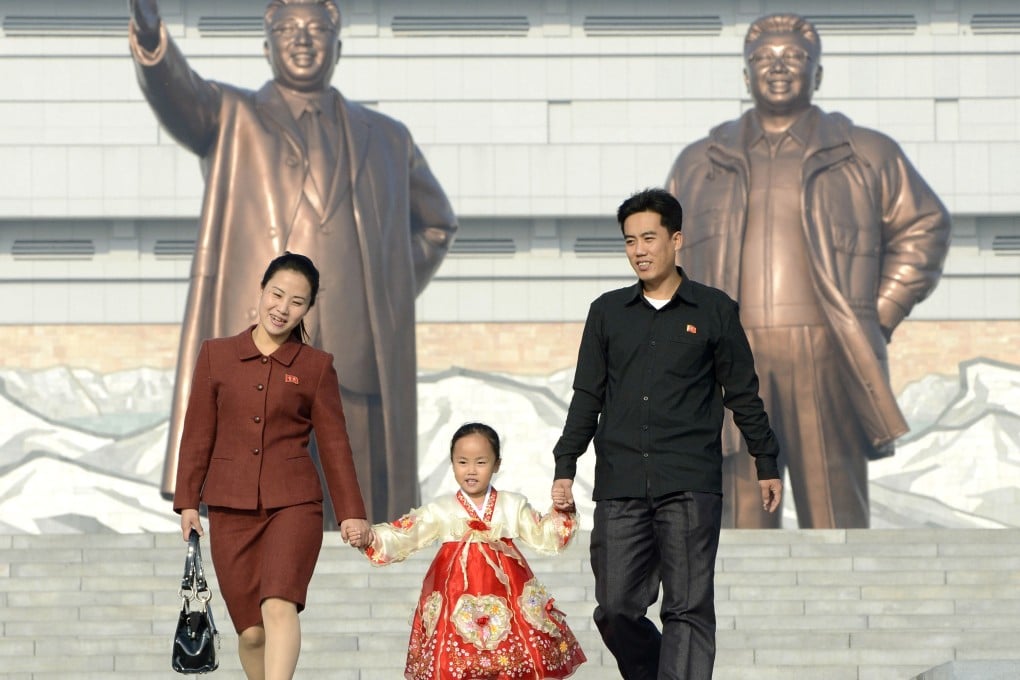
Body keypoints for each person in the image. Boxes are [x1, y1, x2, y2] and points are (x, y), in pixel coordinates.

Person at [129, 0, 458, 523]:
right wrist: (151, 39)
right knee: (255, 500)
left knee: (359, 512)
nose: (302, 40)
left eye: (316, 30)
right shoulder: (231, 116)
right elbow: (180, 96)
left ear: (338, 46)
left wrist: (383, 296)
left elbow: (436, 223)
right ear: (267, 46)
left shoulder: (388, 138)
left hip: (357, 359)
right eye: (288, 29)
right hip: (263, 341)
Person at [665, 13, 951, 529]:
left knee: (834, 506)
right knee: (739, 506)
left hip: (827, 349)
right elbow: (668, 258)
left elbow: (925, 227)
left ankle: (845, 608)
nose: (778, 68)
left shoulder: (866, 152)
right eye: (764, 60)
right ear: (746, 74)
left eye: (793, 58)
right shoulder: (699, 163)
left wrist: (879, 313)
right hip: (732, 351)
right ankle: (740, 607)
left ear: (817, 74)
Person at [551, 189, 781, 680]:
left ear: (676, 239)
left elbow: (743, 392)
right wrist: (565, 466)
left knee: (688, 607)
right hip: (621, 482)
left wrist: (765, 461)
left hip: (690, 481)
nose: (639, 250)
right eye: (630, 240)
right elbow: (586, 395)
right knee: (615, 607)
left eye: (649, 238)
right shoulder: (607, 312)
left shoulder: (715, 310)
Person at [174, 252, 371, 680]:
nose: (283, 308)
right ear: (262, 291)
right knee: (252, 634)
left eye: (297, 301)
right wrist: (188, 501)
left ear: (308, 308)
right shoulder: (216, 356)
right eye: (277, 294)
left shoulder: (316, 367)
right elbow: (197, 434)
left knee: (280, 604)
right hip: (229, 507)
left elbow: (335, 444)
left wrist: (352, 512)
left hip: (295, 504)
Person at [349, 422, 587, 680]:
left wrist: (562, 510)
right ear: (452, 463)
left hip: (508, 596)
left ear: (496, 464)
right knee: (452, 665)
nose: (471, 470)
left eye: (481, 462)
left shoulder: (511, 504)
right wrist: (369, 536)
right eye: (462, 462)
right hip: (454, 598)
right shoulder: (441, 509)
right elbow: (405, 533)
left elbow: (544, 534)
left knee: (516, 665)